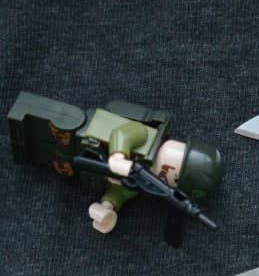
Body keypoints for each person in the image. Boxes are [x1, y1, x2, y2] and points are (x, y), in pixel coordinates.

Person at [7, 91, 224, 234]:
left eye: (175, 178)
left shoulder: (144, 182)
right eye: (175, 169)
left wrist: (107, 208)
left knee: (46, 156)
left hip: (72, 166)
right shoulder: (145, 136)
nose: (168, 172)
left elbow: (120, 191)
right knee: (50, 124)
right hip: (79, 134)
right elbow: (123, 133)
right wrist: (119, 155)